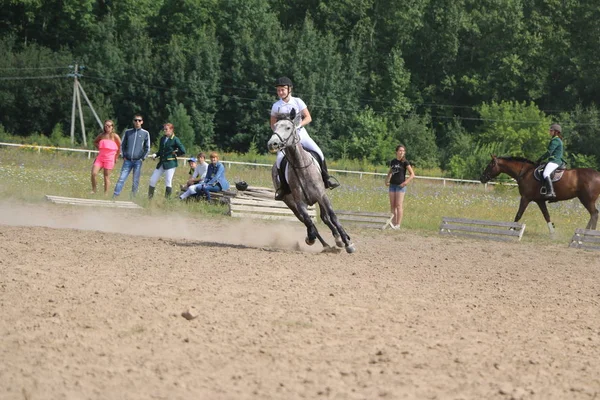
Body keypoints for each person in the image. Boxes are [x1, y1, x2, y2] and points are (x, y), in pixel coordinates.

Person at [270, 76, 339, 200]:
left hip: (301, 134)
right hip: (285, 139)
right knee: (280, 160)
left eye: (283, 90)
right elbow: (273, 123)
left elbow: (308, 117)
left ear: (289, 89)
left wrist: (298, 125)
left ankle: (326, 179)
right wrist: (279, 135)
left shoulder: (297, 101)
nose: (280, 92)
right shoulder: (276, 106)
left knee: (319, 152)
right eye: (279, 90)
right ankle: (284, 188)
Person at [112, 114, 151, 198]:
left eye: (139, 120)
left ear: (142, 122)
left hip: (138, 161)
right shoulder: (127, 132)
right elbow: (122, 145)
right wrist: (124, 156)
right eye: (135, 120)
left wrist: (142, 158)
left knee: (135, 181)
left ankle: (133, 197)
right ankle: (115, 196)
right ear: (133, 122)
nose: (137, 122)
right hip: (127, 160)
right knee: (122, 178)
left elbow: (147, 148)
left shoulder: (145, 133)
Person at [148, 123, 186, 199]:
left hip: (170, 163)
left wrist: (176, 153)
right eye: (164, 129)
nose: (164, 130)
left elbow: (183, 150)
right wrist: (156, 154)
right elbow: (160, 151)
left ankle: (166, 201)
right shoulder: (162, 139)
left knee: (168, 181)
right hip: (162, 162)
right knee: (152, 179)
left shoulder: (175, 139)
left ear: (171, 130)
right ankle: (149, 199)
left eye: (166, 129)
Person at [385, 144, 415, 230]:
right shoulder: (393, 161)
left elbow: (412, 174)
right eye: (400, 151)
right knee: (393, 205)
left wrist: (405, 183)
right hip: (392, 185)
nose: (401, 152)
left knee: (398, 205)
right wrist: (387, 179)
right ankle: (393, 224)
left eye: (403, 151)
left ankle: (398, 224)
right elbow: (391, 171)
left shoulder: (405, 162)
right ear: (397, 152)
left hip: (400, 186)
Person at [91, 119, 121, 195]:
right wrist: (100, 147)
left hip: (110, 158)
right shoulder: (101, 135)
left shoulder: (115, 136)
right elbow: (95, 142)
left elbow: (120, 146)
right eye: (106, 126)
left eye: (109, 126)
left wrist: (116, 157)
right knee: (94, 173)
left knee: (106, 176)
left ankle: (106, 193)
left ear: (112, 127)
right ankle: (94, 190)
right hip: (100, 157)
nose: (107, 127)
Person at [536, 123, 565, 199]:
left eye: (551, 131)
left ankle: (551, 192)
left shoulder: (555, 140)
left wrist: (540, 159)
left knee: (546, 173)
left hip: (555, 161)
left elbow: (549, 152)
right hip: (554, 160)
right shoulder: (557, 140)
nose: (550, 132)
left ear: (556, 132)